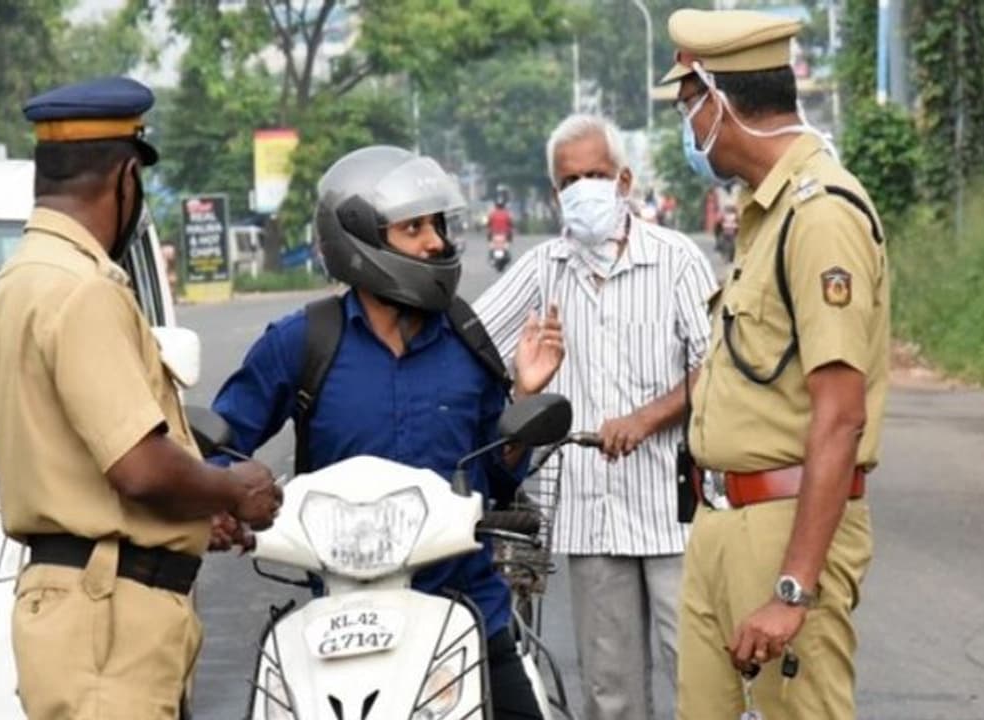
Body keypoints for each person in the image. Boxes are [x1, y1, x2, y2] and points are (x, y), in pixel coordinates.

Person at [209, 145, 565, 720]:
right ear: (359, 240)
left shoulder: (469, 344)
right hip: (340, 621)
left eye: (439, 226)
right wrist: (220, 499)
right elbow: (224, 440)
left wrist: (524, 398)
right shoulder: (301, 343)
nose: (436, 243)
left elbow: (499, 474)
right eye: (414, 228)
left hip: (466, 610)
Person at [0, 77, 282, 720]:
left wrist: (195, 513)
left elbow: (74, 462)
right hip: (107, 623)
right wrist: (232, 489)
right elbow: (138, 468)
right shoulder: (83, 291)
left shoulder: (14, 284)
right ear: (124, 179)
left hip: (77, 611)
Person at [662, 9, 889, 719]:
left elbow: (840, 415)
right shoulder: (766, 213)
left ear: (717, 100)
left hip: (784, 526)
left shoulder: (820, 216)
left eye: (687, 103)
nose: (688, 124)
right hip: (721, 522)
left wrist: (793, 586)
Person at [473, 113, 718, 720]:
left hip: (674, 512)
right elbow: (470, 342)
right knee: (609, 693)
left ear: (625, 180)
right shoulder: (541, 269)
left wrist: (648, 417)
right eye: (572, 178)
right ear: (557, 193)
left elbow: (717, 368)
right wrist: (518, 384)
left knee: (697, 677)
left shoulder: (677, 260)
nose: (585, 188)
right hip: (590, 514)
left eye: (597, 175)